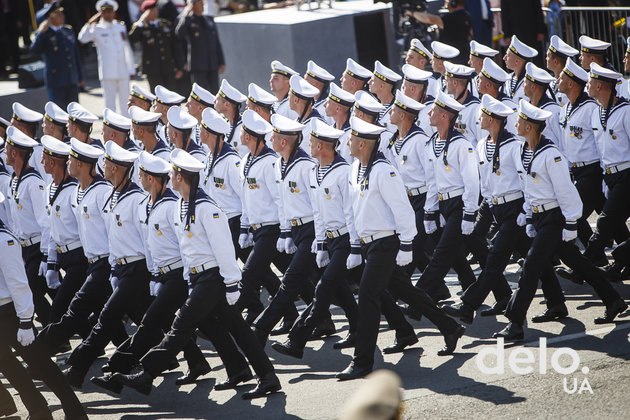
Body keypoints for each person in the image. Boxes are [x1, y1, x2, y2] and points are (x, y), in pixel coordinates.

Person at [114, 148, 282, 400]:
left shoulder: (206, 207)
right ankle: (260, 375)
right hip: (199, 278)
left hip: (213, 278)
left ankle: (147, 373)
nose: (170, 176)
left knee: (180, 325)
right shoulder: (182, 205)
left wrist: (233, 284)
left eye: (173, 173)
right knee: (238, 329)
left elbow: (224, 247)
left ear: (180, 177)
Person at [335, 116, 465, 381]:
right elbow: (353, 210)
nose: (347, 142)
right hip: (370, 244)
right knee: (407, 291)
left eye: (351, 138)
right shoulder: (355, 169)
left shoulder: (384, 170)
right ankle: (449, 326)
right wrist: (355, 245)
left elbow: (403, 211)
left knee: (368, 297)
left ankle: (362, 362)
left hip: (386, 243)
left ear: (362, 144)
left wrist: (406, 244)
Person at [493, 100, 627, 341]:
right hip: (542, 216)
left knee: (531, 266)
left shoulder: (550, 154)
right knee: (579, 263)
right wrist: (530, 214)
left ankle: (514, 323)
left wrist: (571, 223)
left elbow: (566, 191)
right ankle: (613, 300)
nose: (516, 123)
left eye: (520, 120)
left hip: (555, 218)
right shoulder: (524, 151)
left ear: (531, 126)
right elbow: (528, 186)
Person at [91, 151, 209, 393]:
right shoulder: (148, 204)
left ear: (152, 180)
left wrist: (188, 277)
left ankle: (119, 372)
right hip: (165, 275)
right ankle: (198, 362)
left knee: (150, 323)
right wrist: (155, 275)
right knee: (173, 324)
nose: (139, 178)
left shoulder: (168, 206)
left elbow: (184, 244)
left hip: (178, 274)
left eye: (142, 175)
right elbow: (149, 244)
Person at [63, 141, 152, 389]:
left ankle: (77, 369)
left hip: (138, 268)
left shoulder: (135, 198)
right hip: (122, 270)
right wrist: (114, 267)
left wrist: (154, 273)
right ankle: (194, 357)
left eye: (107, 163)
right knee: (152, 319)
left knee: (106, 317)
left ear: (115, 168)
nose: (103, 166)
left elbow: (146, 240)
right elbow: (112, 237)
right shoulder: (114, 195)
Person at [272, 118, 359, 357]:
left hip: (345, 239)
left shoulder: (342, 172)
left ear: (322, 145)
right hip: (330, 239)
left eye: (312, 141)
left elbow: (350, 213)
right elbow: (318, 212)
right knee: (355, 289)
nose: (308, 145)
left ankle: (296, 340)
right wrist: (321, 244)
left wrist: (354, 246)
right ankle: (399, 329)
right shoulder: (317, 172)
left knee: (324, 289)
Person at [0, 192, 88, 420]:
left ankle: (75, 411)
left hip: (11, 313)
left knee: (41, 365)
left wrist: (26, 321)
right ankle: (38, 411)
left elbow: (19, 284)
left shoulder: (4, 240)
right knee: (9, 368)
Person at [37, 139, 125, 358]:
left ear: (84, 164)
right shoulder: (78, 191)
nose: (69, 162)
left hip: (104, 262)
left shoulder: (102, 190)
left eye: (73, 159)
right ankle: (129, 355)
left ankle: (39, 356)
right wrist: (52, 261)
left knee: (66, 307)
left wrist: (115, 266)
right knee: (107, 313)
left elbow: (112, 230)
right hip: (90, 261)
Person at [251, 113, 320, 344]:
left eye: (275, 136)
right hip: (297, 230)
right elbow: (282, 202)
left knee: (290, 281)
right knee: (333, 286)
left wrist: (320, 239)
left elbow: (318, 207)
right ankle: (332, 319)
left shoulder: (305, 165)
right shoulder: (280, 164)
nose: (270, 138)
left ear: (283, 142)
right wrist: (286, 232)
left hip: (312, 229)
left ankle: (261, 329)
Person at [415, 91, 478, 302]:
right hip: (443, 203)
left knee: (441, 254)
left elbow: (471, 182)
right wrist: (430, 210)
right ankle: (481, 288)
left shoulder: (461, 145)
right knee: (458, 253)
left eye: (433, 110)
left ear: (444, 116)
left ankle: (418, 300)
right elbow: (432, 181)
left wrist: (469, 213)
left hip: (459, 204)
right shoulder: (430, 145)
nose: (429, 113)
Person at [4, 127, 53, 326]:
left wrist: (46, 256)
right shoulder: (13, 181)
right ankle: (61, 329)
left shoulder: (33, 182)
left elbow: (45, 221)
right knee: (52, 291)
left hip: (37, 246)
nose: (5, 152)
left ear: (15, 153)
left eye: (7, 148)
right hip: (23, 247)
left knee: (32, 287)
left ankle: (54, 330)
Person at [78, 0, 135, 115]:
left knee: (126, 104)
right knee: (110, 106)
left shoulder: (120, 26)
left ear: (114, 12)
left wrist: (131, 68)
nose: (108, 14)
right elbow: (82, 39)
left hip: (122, 70)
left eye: (110, 11)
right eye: (105, 12)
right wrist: (90, 22)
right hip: (108, 72)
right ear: (100, 13)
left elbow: (127, 48)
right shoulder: (96, 28)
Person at [31, 3, 84, 108]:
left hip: (71, 78)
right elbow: (35, 50)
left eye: (61, 13)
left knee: (74, 112)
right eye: (58, 14)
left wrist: (80, 76)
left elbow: (75, 55)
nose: (62, 16)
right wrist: (41, 33)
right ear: (50, 18)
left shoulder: (67, 30)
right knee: (59, 115)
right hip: (56, 81)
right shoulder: (44, 34)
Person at [129, 0, 184, 92]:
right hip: (153, 69)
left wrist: (179, 67)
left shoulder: (165, 24)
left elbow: (175, 47)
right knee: (157, 95)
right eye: (151, 11)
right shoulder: (141, 27)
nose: (155, 13)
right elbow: (132, 39)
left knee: (172, 94)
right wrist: (141, 21)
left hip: (168, 67)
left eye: (155, 10)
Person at [176, 0, 226, 93]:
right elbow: (179, 34)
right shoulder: (188, 20)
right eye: (200, 3)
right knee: (200, 93)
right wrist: (186, 14)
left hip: (212, 63)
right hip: (198, 65)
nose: (203, 5)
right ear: (193, 5)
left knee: (214, 92)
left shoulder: (208, 20)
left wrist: (221, 61)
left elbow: (216, 43)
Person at [405, 0, 472, 65]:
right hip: (462, 56)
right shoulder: (466, 15)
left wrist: (411, 13)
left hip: (452, 59)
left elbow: (429, 19)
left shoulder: (454, 17)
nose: (445, 1)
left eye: (448, 0)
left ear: (454, 3)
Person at [500, 0, 547, 67]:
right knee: (518, 58)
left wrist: (541, 30)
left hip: (532, 30)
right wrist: (507, 34)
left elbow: (538, 10)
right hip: (515, 31)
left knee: (535, 58)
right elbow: (504, 13)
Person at [215, 79, 247, 156]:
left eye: (217, 100)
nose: (214, 102)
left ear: (227, 104)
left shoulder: (245, 127)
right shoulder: (223, 125)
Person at [545, 35, 579, 108]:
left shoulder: (570, 83)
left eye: (548, 56)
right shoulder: (552, 83)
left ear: (556, 61)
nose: (546, 58)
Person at [503, 35, 539, 104]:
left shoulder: (532, 81)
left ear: (517, 61)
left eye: (507, 56)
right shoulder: (507, 79)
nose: (504, 58)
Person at [369, 61, 401, 134]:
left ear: (382, 86)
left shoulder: (398, 108)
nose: (369, 82)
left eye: (373, 80)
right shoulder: (374, 107)